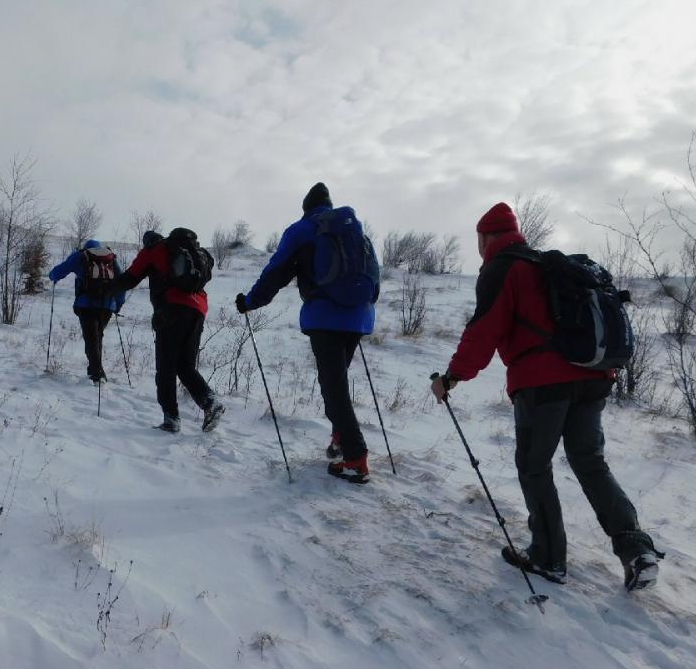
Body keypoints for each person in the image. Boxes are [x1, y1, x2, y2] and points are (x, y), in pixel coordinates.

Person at [430, 202, 662, 591]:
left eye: (479, 239)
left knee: (534, 465)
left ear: (486, 237)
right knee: (590, 463)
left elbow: (483, 331)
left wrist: (452, 378)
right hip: (592, 376)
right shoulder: (543, 264)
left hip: (543, 384)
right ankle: (637, 549)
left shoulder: (502, 268)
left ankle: (548, 557)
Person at [236, 182, 380, 484]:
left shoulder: (302, 230)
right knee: (336, 384)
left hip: (325, 316)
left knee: (333, 388)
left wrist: (250, 302)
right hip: (359, 316)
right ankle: (341, 439)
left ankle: (356, 459)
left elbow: (275, 272)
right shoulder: (355, 232)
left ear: (306, 207)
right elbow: (373, 277)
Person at [107, 227, 224, 434]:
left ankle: (171, 419)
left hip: (171, 310)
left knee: (166, 367)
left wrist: (104, 290)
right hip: (198, 311)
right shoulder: (187, 252)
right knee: (185, 366)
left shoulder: (152, 251)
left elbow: (130, 279)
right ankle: (210, 403)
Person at [48, 239, 126, 383]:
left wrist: (52, 276)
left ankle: (97, 375)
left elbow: (61, 270)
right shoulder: (110, 259)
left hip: (86, 305)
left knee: (91, 340)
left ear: (86, 248)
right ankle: (95, 372)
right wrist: (119, 304)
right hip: (107, 306)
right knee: (97, 337)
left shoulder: (81, 256)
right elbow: (121, 282)